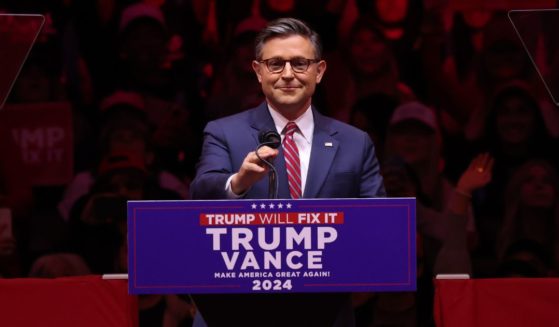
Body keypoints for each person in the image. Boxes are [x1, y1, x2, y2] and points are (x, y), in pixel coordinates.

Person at [190, 17, 385, 326]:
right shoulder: (223, 132)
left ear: (319, 71)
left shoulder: (354, 143)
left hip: (326, 314)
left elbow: (379, 230)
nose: (288, 75)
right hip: (237, 313)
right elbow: (201, 193)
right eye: (276, 64)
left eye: (300, 63)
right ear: (258, 72)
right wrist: (238, 183)